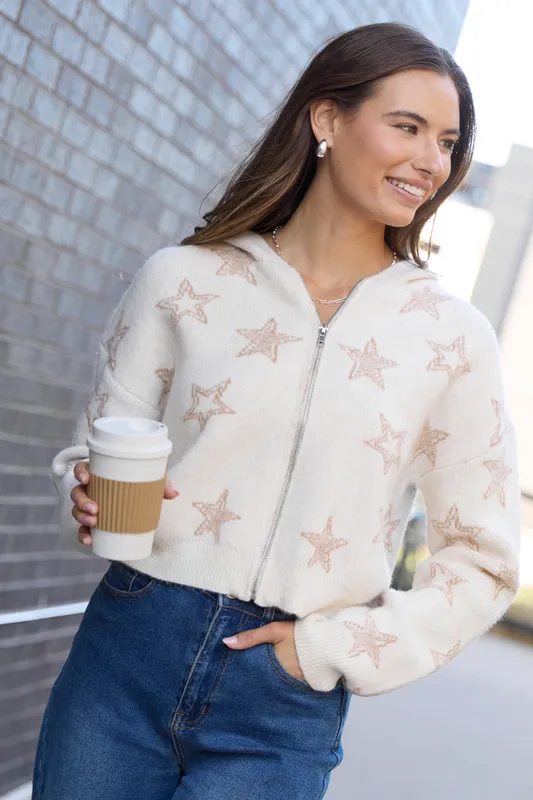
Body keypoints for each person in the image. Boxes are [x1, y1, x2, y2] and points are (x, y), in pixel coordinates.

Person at [33, 22, 521, 800]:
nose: (431, 160)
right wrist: (85, 498)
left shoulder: (450, 339)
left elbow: (484, 558)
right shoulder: (183, 281)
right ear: (327, 119)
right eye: (406, 127)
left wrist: (336, 648)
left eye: (446, 141)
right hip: (129, 649)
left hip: (282, 698)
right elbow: (93, 455)